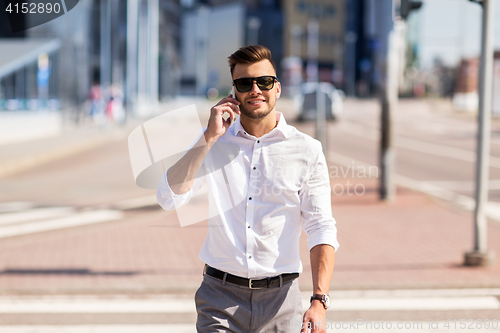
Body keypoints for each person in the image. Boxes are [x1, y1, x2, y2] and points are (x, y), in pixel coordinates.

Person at [157, 45, 338, 333]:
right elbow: (168, 197)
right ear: (234, 93)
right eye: (245, 83)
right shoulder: (214, 143)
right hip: (220, 297)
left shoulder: (307, 150)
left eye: (264, 81)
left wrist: (319, 300)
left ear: (277, 88)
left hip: (282, 300)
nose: (255, 89)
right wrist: (208, 137)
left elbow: (321, 227)